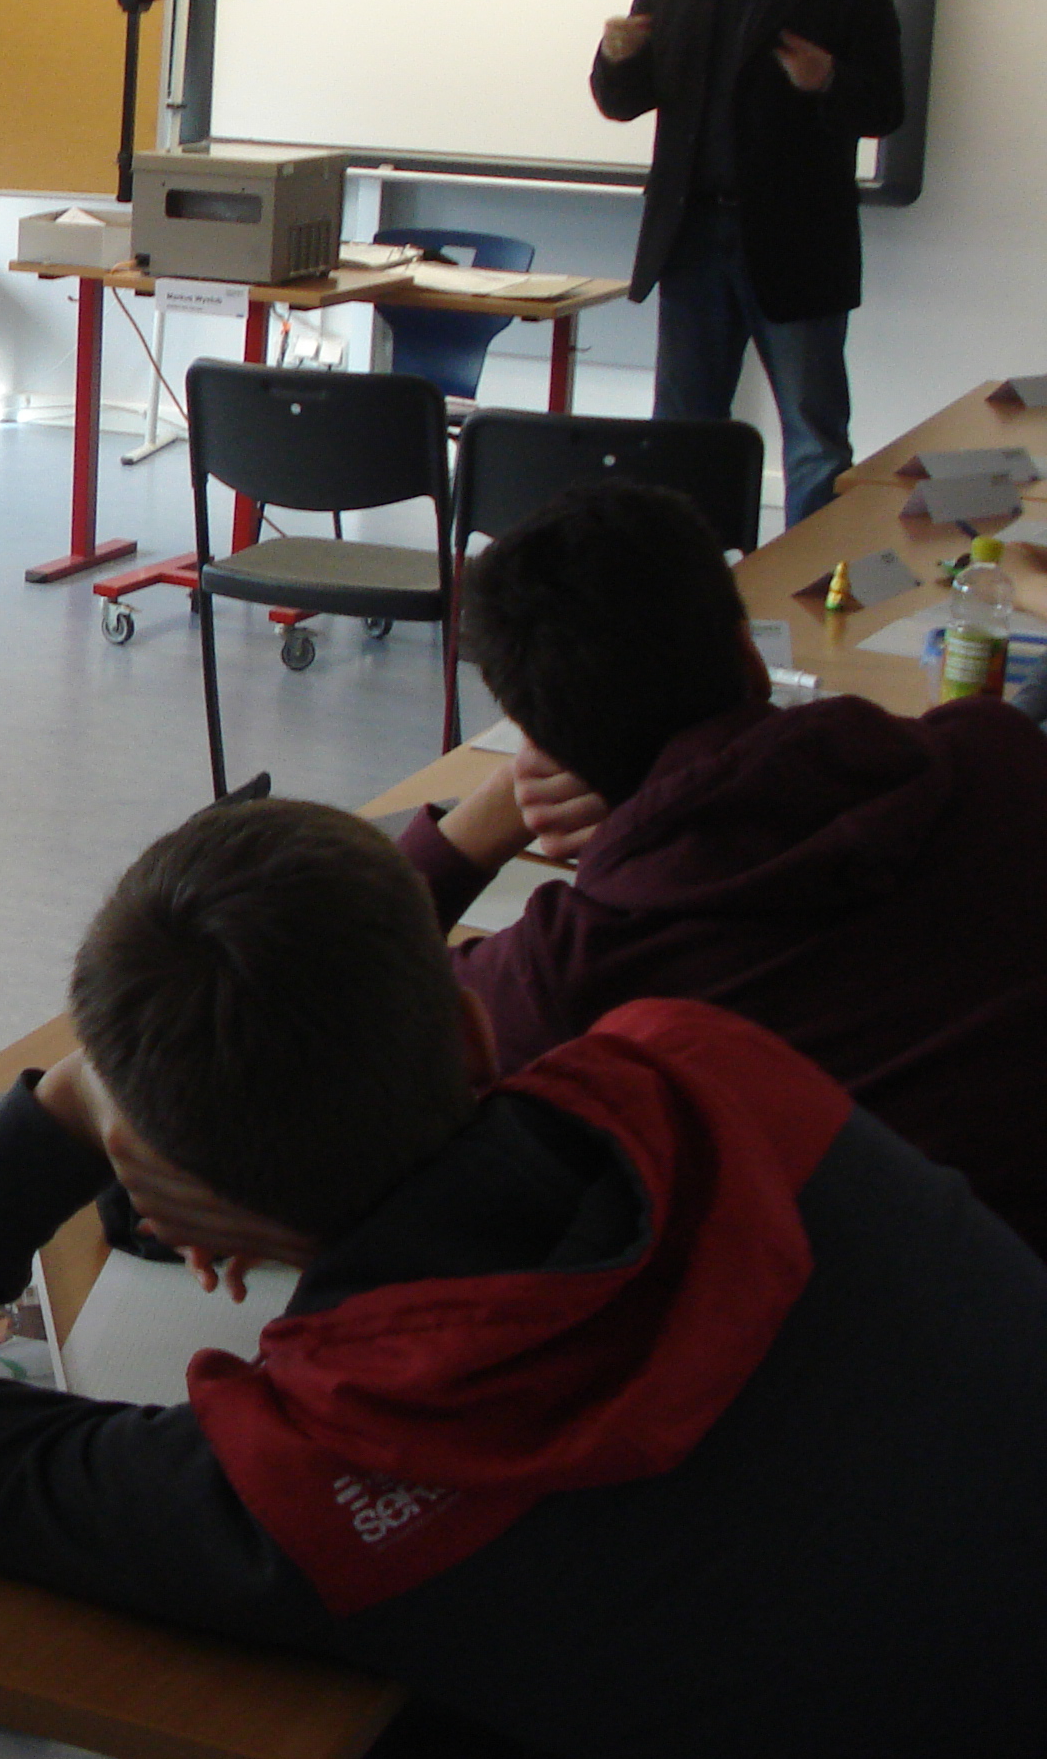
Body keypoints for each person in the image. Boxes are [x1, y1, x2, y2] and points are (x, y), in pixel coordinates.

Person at [0, 795, 1047, 1759]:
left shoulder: (332, 1475)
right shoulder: (710, 1064)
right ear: (474, 1038)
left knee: (335, 1751)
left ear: (174, 1180)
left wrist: (69, 1110)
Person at [400, 479, 1047, 1258]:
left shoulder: (574, 967)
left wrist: (500, 804)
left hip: (873, 1321)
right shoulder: (997, 755)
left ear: (540, 732)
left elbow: (340, 986)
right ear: (749, 651)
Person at [591, 0, 906, 524]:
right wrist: (616, 59)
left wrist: (829, 80)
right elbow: (623, 101)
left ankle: (808, 583)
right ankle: (688, 576)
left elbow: (886, 108)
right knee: (683, 433)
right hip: (692, 237)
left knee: (814, 439)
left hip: (797, 245)